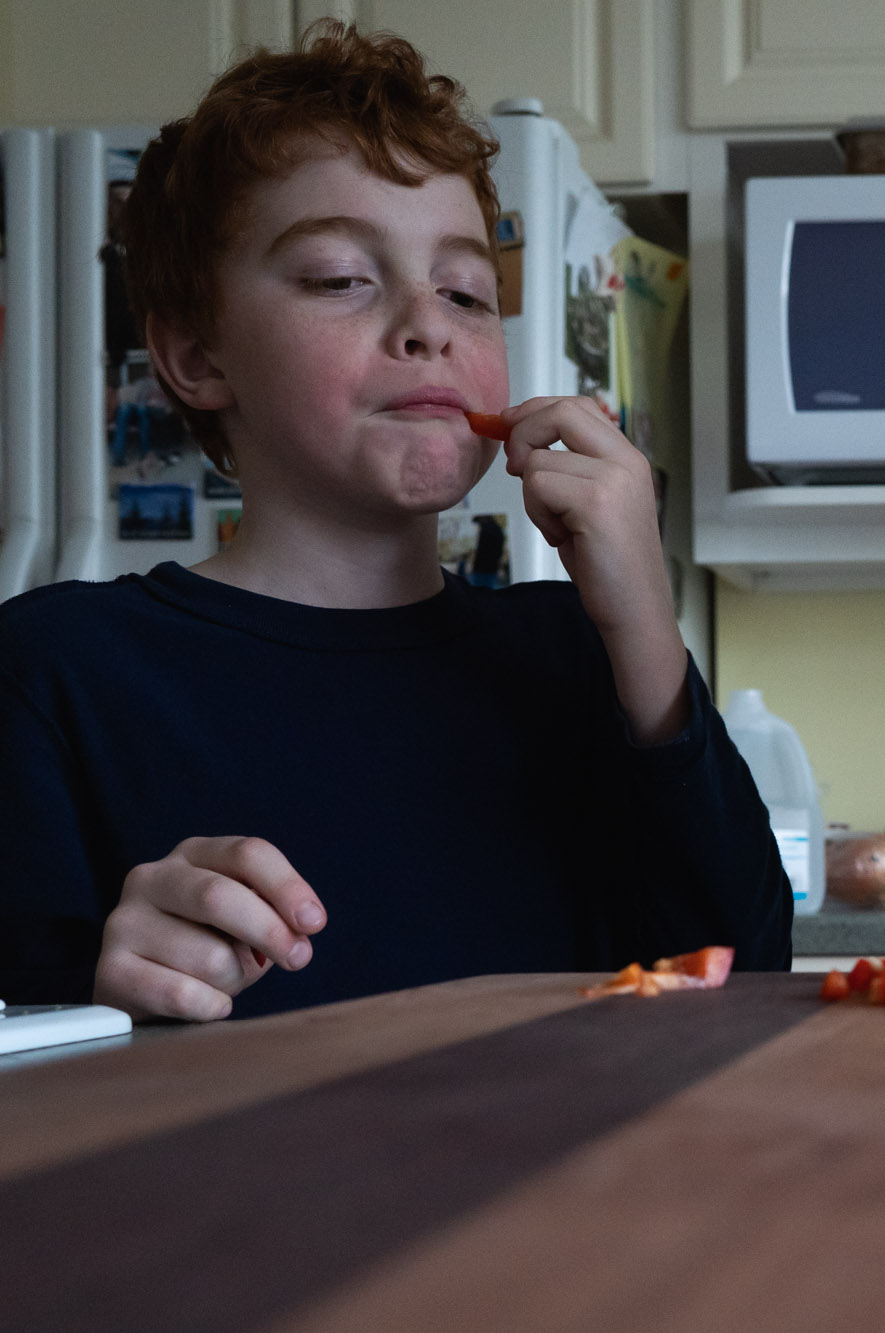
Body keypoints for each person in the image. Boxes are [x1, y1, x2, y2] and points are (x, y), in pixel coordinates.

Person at [0, 23, 792, 1019]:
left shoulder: (573, 654)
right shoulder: (52, 671)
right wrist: (97, 988)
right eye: (340, 276)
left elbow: (743, 971)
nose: (429, 323)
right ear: (196, 355)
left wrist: (644, 628)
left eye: (466, 290)